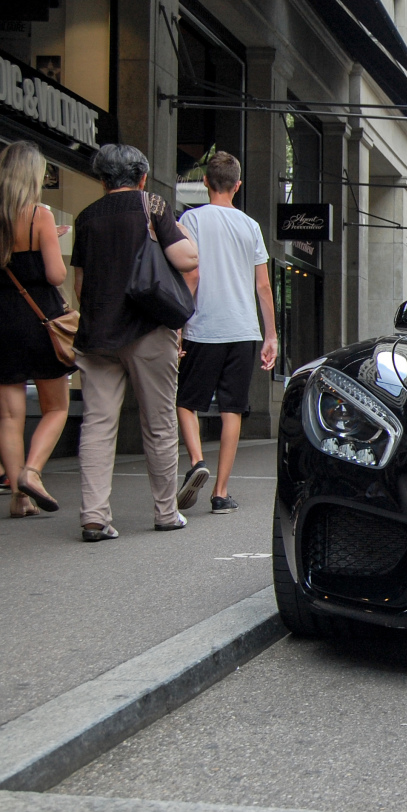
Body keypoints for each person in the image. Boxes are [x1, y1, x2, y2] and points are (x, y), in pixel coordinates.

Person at [71, 144, 199, 541]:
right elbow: (187, 259)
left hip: (97, 335)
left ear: (102, 179)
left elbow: (79, 284)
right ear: (142, 177)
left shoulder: (86, 217)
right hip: (147, 329)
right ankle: (165, 512)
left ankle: (93, 516)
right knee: (159, 423)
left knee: (97, 423)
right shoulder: (152, 205)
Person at [175, 152, 277, 514]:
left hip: (203, 327)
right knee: (232, 409)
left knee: (186, 402)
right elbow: (263, 287)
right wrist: (271, 336)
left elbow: (192, 274)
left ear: (205, 182)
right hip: (243, 329)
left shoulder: (191, 219)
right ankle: (220, 492)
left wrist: (178, 325)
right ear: (237, 185)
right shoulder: (250, 226)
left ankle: (198, 461)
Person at [0, 141, 73, 518]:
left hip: (2, 321)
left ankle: (18, 497)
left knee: (9, 416)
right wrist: (50, 241)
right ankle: (32, 471)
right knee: (56, 407)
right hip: (39, 322)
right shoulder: (38, 215)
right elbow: (55, 274)